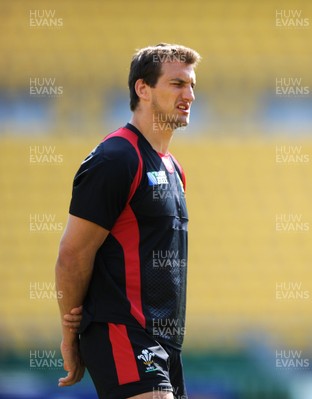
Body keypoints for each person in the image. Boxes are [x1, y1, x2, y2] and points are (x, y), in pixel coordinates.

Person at [55, 43, 200, 399]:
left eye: (192, 85)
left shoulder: (172, 168)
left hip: (167, 343)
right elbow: (72, 255)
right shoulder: (116, 158)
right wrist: (70, 336)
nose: (190, 95)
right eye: (178, 84)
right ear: (143, 89)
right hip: (123, 333)